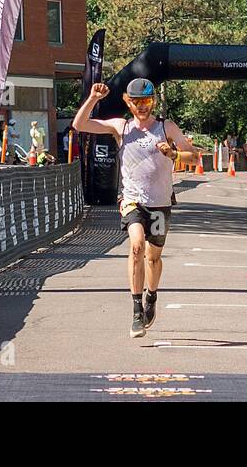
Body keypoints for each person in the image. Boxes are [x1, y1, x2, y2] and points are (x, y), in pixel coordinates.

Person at [72, 77, 199, 338]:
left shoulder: (166, 127)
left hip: (160, 203)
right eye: (137, 102)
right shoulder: (122, 127)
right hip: (132, 200)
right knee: (137, 245)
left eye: (147, 101)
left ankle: (151, 297)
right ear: (128, 102)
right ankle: (136, 310)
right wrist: (94, 98)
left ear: (153, 101)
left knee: (153, 257)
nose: (142, 107)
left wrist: (174, 155)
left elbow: (193, 155)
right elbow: (79, 124)